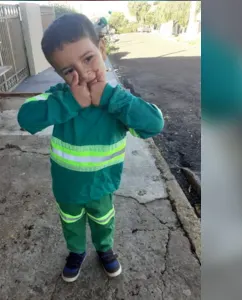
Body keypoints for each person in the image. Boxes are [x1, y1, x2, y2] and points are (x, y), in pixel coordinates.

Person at [17, 13, 164, 283]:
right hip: (67, 188)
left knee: (103, 220)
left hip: (102, 187)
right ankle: (76, 252)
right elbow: (25, 118)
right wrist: (69, 103)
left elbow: (154, 124)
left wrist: (110, 97)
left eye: (88, 59)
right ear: (59, 74)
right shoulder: (59, 97)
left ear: (103, 48)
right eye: (68, 70)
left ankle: (104, 249)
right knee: (70, 223)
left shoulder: (118, 104)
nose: (82, 74)